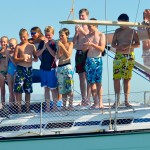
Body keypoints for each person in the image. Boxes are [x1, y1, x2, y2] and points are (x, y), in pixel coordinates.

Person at [111, 14, 140, 107]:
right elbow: (113, 44)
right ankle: (117, 101)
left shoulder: (132, 31)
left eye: (121, 22)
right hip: (118, 56)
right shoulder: (117, 31)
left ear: (127, 21)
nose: (120, 24)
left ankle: (126, 101)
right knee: (116, 78)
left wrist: (128, 46)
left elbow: (138, 44)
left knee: (127, 79)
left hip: (129, 56)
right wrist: (118, 47)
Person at [14, 28, 38, 113]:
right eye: (21, 37)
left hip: (29, 69)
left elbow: (36, 58)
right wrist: (22, 59)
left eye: (24, 37)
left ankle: (27, 109)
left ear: (27, 36)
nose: (22, 39)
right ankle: (19, 109)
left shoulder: (32, 46)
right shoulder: (18, 46)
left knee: (28, 90)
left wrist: (31, 59)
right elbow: (14, 59)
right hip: (20, 68)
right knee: (19, 89)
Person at [83, 18, 105, 108]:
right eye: (88, 26)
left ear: (95, 25)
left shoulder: (101, 35)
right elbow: (84, 49)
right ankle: (95, 102)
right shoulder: (87, 36)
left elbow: (102, 49)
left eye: (90, 26)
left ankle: (100, 102)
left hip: (97, 59)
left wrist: (92, 44)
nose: (89, 28)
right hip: (89, 60)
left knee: (98, 82)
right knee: (91, 82)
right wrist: (87, 46)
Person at [36, 26, 58, 112]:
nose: (47, 36)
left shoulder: (53, 43)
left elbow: (54, 54)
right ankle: (47, 107)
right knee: (46, 89)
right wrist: (44, 47)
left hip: (51, 69)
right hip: (43, 68)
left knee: (53, 89)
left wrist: (47, 46)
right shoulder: (42, 43)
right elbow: (37, 54)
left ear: (52, 34)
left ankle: (55, 107)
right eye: (46, 35)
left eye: (49, 35)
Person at [73, 8, 91, 106]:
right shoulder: (78, 26)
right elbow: (74, 42)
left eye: (82, 15)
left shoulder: (89, 25)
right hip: (79, 52)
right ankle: (83, 98)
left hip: (88, 52)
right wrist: (76, 32)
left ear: (87, 16)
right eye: (80, 15)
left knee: (88, 76)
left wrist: (82, 30)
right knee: (81, 77)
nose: (81, 17)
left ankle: (88, 98)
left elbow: (90, 37)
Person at [57, 28, 74, 110]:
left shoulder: (70, 43)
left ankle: (70, 105)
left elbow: (68, 55)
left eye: (62, 35)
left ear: (67, 35)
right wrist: (59, 48)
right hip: (60, 68)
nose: (60, 37)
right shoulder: (59, 46)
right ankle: (64, 106)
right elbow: (58, 57)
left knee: (69, 87)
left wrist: (62, 46)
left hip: (67, 67)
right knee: (62, 89)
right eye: (59, 35)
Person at [6, 38, 18, 107]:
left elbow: (16, 64)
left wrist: (10, 57)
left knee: (16, 90)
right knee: (10, 91)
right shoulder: (9, 53)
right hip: (10, 71)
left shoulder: (18, 52)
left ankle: (17, 105)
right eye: (10, 45)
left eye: (12, 45)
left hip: (16, 71)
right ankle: (11, 106)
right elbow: (6, 64)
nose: (11, 47)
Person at [0, 36, 9, 106]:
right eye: (1, 42)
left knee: (11, 89)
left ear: (7, 42)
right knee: (2, 89)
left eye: (4, 42)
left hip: (9, 72)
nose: (3, 43)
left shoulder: (9, 50)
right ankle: (3, 104)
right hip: (1, 72)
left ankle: (13, 104)